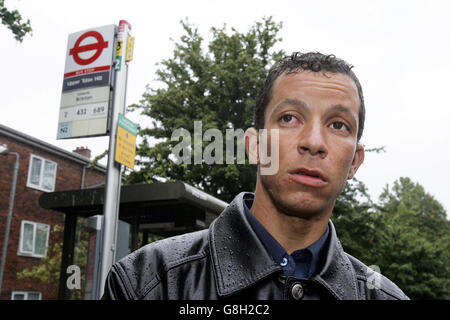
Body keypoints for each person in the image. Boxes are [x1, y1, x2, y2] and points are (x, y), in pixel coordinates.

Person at [102, 51, 409, 300]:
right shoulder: (146, 283)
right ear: (254, 146)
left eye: (338, 124)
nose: (314, 142)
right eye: (289, 118)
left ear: (354, 161)